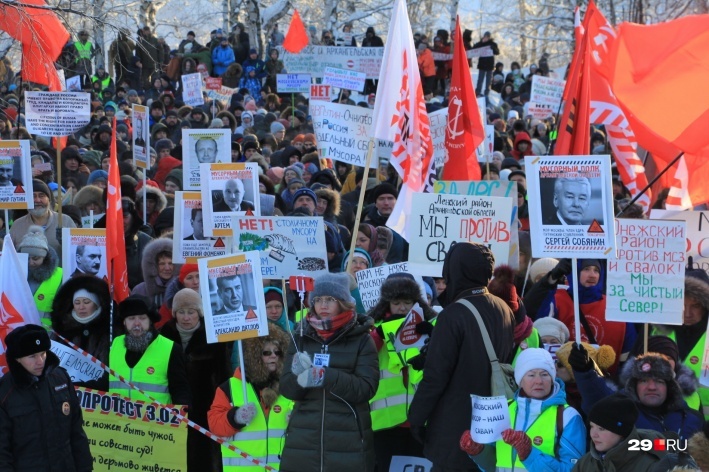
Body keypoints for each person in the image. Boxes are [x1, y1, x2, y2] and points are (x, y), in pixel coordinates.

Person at [408, 242, 515, 471]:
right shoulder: (504, 308)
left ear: (455, 269)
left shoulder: (453, 314)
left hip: (456, 425)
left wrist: (416, 418)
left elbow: (436, 377)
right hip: (493, 421)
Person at [279, 272, 379, 471]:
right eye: (318, 299)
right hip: (303, 441)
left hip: (348, 440)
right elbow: (287, 389)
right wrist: (299, 377)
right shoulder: (301, 337)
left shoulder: (361, 339)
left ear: (343, 302)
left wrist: (326, 376)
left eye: (330, 299)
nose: (323, 305)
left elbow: (366, 388)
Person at [460, 348, 586, 471]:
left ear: (552, 379)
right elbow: (494, 465)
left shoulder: (567, 417)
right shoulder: (503, 408)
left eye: (545, 374)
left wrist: (530, 454)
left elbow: (573, 469)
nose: (538, 381)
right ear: (520, 380)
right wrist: (479, 452)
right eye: (531, 375)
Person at [367, 273, 437, 471]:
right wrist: (379, 334)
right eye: (397, 302)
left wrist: (434, 334)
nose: (403, 307)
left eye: (407, 302)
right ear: (387, 303)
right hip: (386, 424)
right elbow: (362, 356)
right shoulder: (373, 328)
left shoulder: (429, 326)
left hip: (421, 420)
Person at [0, 324, 93, 471]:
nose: (40, 361)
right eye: (32, 356)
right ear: (17, 358)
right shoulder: (5, 391)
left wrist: (85, 468)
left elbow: (76, 432)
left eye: (43, 353)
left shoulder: (61, 378)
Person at [161, 289, 230, 472]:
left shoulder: (214, 338)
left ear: (199, 313)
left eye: (191, 312)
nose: (186, 317)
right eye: (181, 312)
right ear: (174, 313)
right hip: (171, 407)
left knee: (202, 458)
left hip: (204, 407)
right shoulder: (163, 336)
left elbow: (223, 375)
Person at [209, 323, 293, 471]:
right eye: (266, 352)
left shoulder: (291, 386)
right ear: (253, 357)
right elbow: (215, 426)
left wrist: (298, 420)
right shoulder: (229, 388)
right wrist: (235, 418)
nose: (273, 356)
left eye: (277, 352)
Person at [572, 349, 704, 441]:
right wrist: (585, 370)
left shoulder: (692, 419)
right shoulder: (620, 411)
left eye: (659, 381)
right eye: (644, 381)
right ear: (634, 385)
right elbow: (597, 399)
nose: (651, 387)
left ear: (670, 387)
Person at [109, 295, 191, 405]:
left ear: (150, 321)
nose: (137, 323)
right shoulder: (114, 344)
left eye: (142, 318)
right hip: (118, 419)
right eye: (131, 318)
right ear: (124, 322)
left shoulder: (171, 348)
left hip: (156, 421)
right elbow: (105, 381)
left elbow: (180, 390)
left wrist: (181, 416)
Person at [572, 395, 671, 471]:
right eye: (592, 427)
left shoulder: (651, 465)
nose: (593, 434)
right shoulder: (584, 463)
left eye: (601, 429)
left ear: (621, 432)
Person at [50, 275, 113, 390]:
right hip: (65, 389)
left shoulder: (110, 331)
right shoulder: (62, 329)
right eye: (77, 302)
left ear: (97, 304)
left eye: (86, 302)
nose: (81, 307)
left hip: (99, 394)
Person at [10, 179, 76, 258]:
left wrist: (66, 242)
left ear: (49, 199)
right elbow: (11, 256)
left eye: (41, 196)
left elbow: (78, 251)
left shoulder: (65, 221)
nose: (37, 200)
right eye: (33, 196)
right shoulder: (17, 225)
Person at [18, 225, 62, 326]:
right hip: (16, 331)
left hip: (48, 334)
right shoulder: (13, 274)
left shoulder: (59, 275)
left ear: (45, 257)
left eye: (36, 258)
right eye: (27, 258)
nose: (30, 262)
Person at [472, 31, 500, 96]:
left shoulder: (493, 44)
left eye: (487, 37)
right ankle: (477, 93)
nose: (486, 38)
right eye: (485, 36)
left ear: (489, 37)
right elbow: (474, 49)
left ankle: (487, 94)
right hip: (482, 64)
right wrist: (480, 43)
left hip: (490, 65)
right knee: (480, 80)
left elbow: (497, 52)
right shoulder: (481, 43)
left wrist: (494, 48)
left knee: (488, 81)